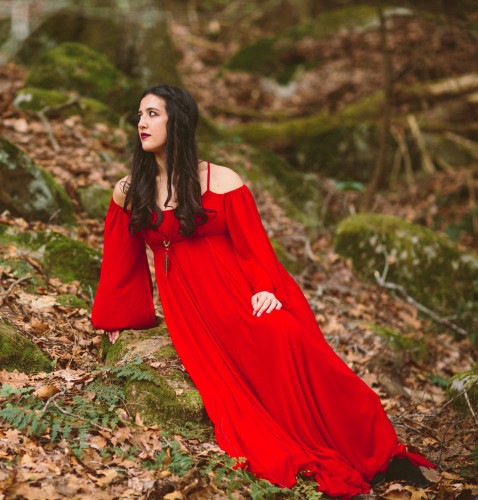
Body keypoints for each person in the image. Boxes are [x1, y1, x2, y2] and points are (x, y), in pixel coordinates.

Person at [90, 85, 433, 499]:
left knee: (291, 341)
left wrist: (265, 288)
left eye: (153, 114)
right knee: (241, 397)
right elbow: (120, 260)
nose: (142, 123)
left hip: (241, 293)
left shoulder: (221, 179)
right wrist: (118, 316)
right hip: (193, 312)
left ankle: (378, 452)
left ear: (178, 121)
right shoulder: (128, 191)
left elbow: (253, 246)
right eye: (140, 115)